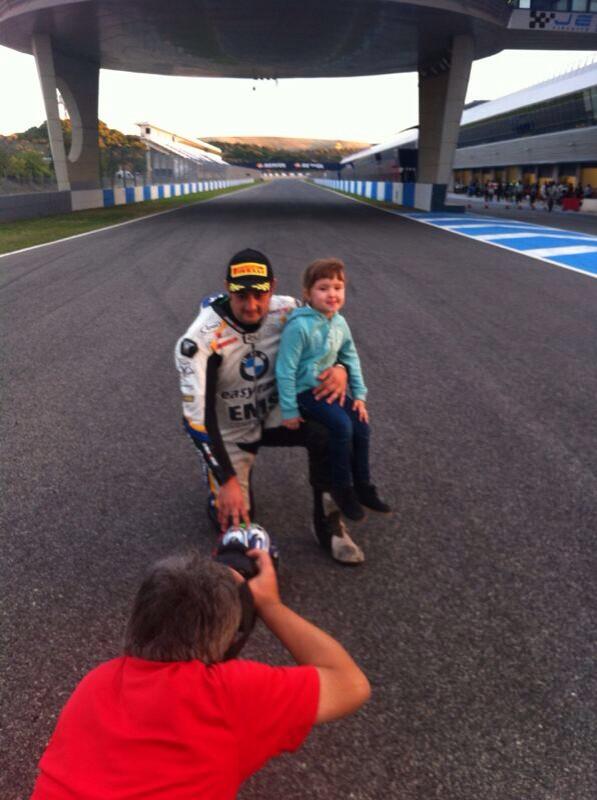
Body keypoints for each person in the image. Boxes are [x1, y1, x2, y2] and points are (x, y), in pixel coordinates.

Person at [31, 549, 370, 799]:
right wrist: (269, 603)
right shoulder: (226, 694)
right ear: (226, 641)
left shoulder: (96, 682)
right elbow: (350, 683)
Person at [175, 248, 365, 564]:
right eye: (241, 295)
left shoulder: (289, 309)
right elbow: (195, 422)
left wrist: (342, 369)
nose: (251, 305)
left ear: (272, 287)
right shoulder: (198, 341)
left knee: (332, 428)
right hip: (230, 430)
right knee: (238, 528)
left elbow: (334, 333)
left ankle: (328, 523)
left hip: (280, 413)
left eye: (259, 294)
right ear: (227, 289)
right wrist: (227, 479)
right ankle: (220, 482)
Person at [276, 258, 390, 522]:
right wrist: (290, 409)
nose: (332, 294)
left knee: (361, 426)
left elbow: (351, 359)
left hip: (332, 392)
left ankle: (364, 485)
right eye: (323, 288)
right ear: (307, 293)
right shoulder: (299, 326)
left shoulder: (340, 323)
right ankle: (342, 488)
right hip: (307, 393)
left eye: (338, 287)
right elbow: (285, 369)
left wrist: (359, 396)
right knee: (341, 426)